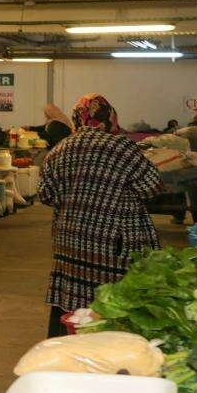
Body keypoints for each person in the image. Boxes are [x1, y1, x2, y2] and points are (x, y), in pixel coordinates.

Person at [40, 93, 161, 337]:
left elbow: (46, 195)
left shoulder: (60, 149)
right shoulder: (121, 148)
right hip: (113, 247)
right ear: (110, 117)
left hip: (69, 245)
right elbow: (152, 187)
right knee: (112, 301)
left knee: (71, 299)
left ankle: (66, 344)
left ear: (78, 117)